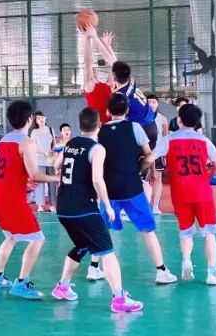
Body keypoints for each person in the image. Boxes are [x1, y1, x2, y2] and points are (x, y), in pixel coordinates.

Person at [50, 108, 144, 313]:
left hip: (63, 208)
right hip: (84, 208)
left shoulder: (70, 143)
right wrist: (108, 206)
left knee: (82, 245)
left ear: (79, 125)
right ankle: (119, 299)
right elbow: (97, 180)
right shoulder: (97, 148)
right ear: (99, 125)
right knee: (107, 252)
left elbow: (56, 165)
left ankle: (63, 287)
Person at [98, 93, 178, 284]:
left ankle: (94, 268)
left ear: (108, 111)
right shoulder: (135, 127)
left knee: (102, 230)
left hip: (108, 189)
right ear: (127, 110)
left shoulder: (101, 131)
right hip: (132, 187)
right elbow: (149, 155)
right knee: (148, 229)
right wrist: (146, 169)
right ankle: (161, 270)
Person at [0, 101, 60, 299]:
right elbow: (35, 175)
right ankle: (21, 283)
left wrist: (23, 184)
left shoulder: (4, 140)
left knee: (11, 236)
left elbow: (0, 171)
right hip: (10, 199)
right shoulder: (27, 142)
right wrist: (57, 178)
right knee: (37, 239)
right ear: (29, 119)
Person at [155, 104, 216, 285]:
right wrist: (208, 175)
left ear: (179, 120)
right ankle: (212, 273)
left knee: (185, 231)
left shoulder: (168, 140)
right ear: (197, 122)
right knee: (209, 232)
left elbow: (152, 157)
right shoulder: (204, 141)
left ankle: (186, 261)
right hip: (202, 192)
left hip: (180, 193)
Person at [81, 28, 115, 124]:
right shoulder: (89, 87)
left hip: (110, 125)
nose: (93, 70)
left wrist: (108, 46)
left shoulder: (108, 86)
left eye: (94, 69)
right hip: (97, 126)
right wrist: (87, 39)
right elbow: (87, 61)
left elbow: (113, 66)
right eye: (91, 70)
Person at [146, 94, 170, 214]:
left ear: (157, 104)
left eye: (153, 102)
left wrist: (165, 154)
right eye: (149, 102)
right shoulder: (140, 117)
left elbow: (166, 137)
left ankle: (155, 205)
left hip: (157, 152)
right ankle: (144, 204)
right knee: (142, 180)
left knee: (157, 178)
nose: (151, 104)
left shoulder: (163, 119)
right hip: (143, 152)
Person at [29, 111, 58, 213]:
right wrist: (43, 152)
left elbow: (54, 144)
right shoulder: (34, 132)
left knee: (52, 183)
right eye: (38, 118)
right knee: (40, 183)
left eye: (42, 117)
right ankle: (40, 205)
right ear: (35, 121)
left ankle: (53, 205)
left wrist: (53, 152)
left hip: (50, 160)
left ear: (45, 118)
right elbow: (33, 147)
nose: (41, 120)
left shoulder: (50, 129)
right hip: (39, 160)